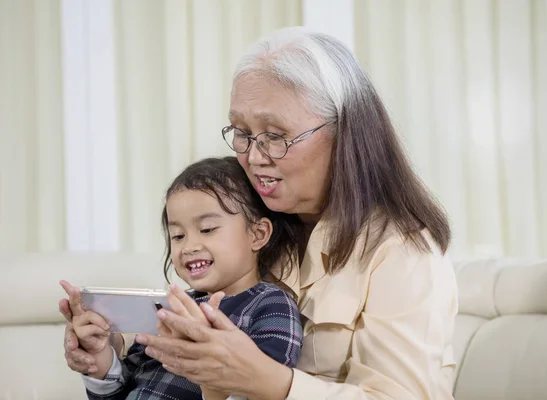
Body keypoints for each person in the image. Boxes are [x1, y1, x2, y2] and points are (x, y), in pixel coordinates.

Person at [62, 26, 458, 399]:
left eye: (275, 135)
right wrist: (108, 355)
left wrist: (263, 377)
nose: (253, 156)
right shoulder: (247, 232)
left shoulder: (403, 251)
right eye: (242, 133)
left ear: (345, 132)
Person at [60, 157, 303, 400]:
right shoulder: (168, 309)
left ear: (257, 234)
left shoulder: (272, 306)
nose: (188, 246)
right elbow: (120, 392)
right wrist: (100, 358)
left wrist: (206, 365)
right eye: (177, 235)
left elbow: (265, 389)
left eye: (207, 229)